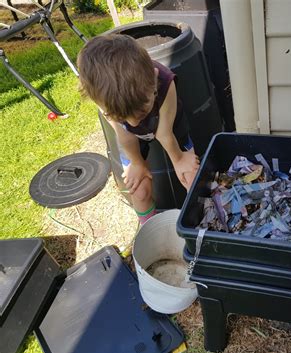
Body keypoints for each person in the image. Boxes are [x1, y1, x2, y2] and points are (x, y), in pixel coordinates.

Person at [77, 34, 199, 225]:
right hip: (130, 140)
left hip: (169, 127)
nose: (133, 123)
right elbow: (124, 134)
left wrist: (179, 159)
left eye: (140, 113)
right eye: (121, 116)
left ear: (154, 79)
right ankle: (148, 228)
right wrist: (137, 163)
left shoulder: (165, 81)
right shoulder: (104, 97)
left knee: (190, 176)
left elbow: (164, 133)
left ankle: (199, 223)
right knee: (139, 189)